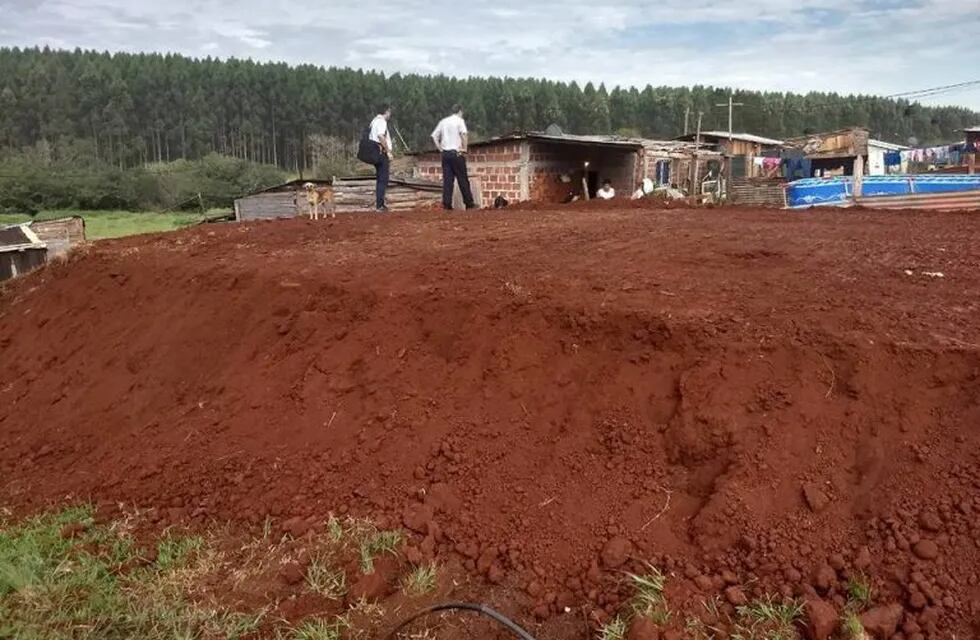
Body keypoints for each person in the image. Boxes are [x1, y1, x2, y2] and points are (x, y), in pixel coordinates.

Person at [431, 104, 476, 210]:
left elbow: (434, 136)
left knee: (448, 180)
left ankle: (447, 204)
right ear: (460, 111)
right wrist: (465, 148)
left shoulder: (443, 121)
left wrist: (440, 149)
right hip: (456, 153)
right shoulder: (460, 121)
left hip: (445, 154)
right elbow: (464, 135)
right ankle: (469, 203)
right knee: (462, 179)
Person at [369, 105, 393, 212]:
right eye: (389, 112)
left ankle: (380, 204)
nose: (390, 114)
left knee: (380, 179)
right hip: (381, 152)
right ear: (386, 111)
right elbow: (381, 136)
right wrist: (388, 151)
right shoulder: (382, 122)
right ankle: (380, 205)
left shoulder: (373, 121)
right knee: (383, 179)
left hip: (374, 151)